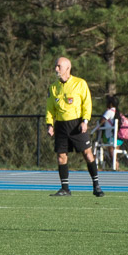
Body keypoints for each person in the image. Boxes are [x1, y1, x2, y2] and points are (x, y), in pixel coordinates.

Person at [45, 57, 103, 197]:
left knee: (87, 154)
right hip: (61, 126)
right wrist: (50, 124)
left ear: (67, 68)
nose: (56, 69)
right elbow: (50, 108)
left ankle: (96, 186)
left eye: (59, 66)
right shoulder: (53, 87)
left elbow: (87, 104)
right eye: (55, 66)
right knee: (61, 156)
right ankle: (65, 189)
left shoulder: (80, 83)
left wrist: (85, 121)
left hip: (76, 125)